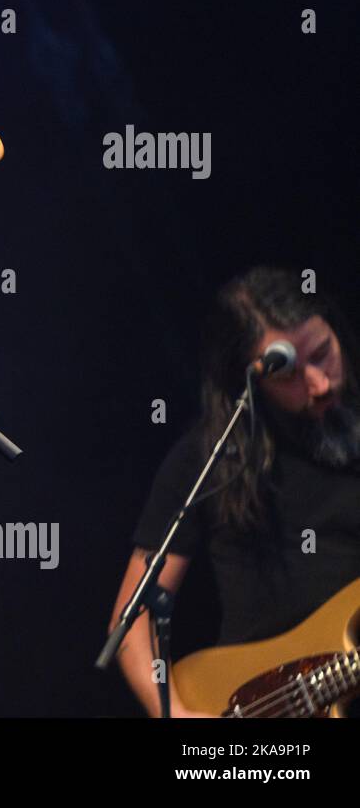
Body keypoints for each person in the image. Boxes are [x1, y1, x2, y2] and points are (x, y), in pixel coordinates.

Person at [111, 266, 360, 716]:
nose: (319, 384)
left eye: (323, 353)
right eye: (290, 375)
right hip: (254, 702)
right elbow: (133, 620)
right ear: (249, 379)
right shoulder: (208, 458)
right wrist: (174, 715)